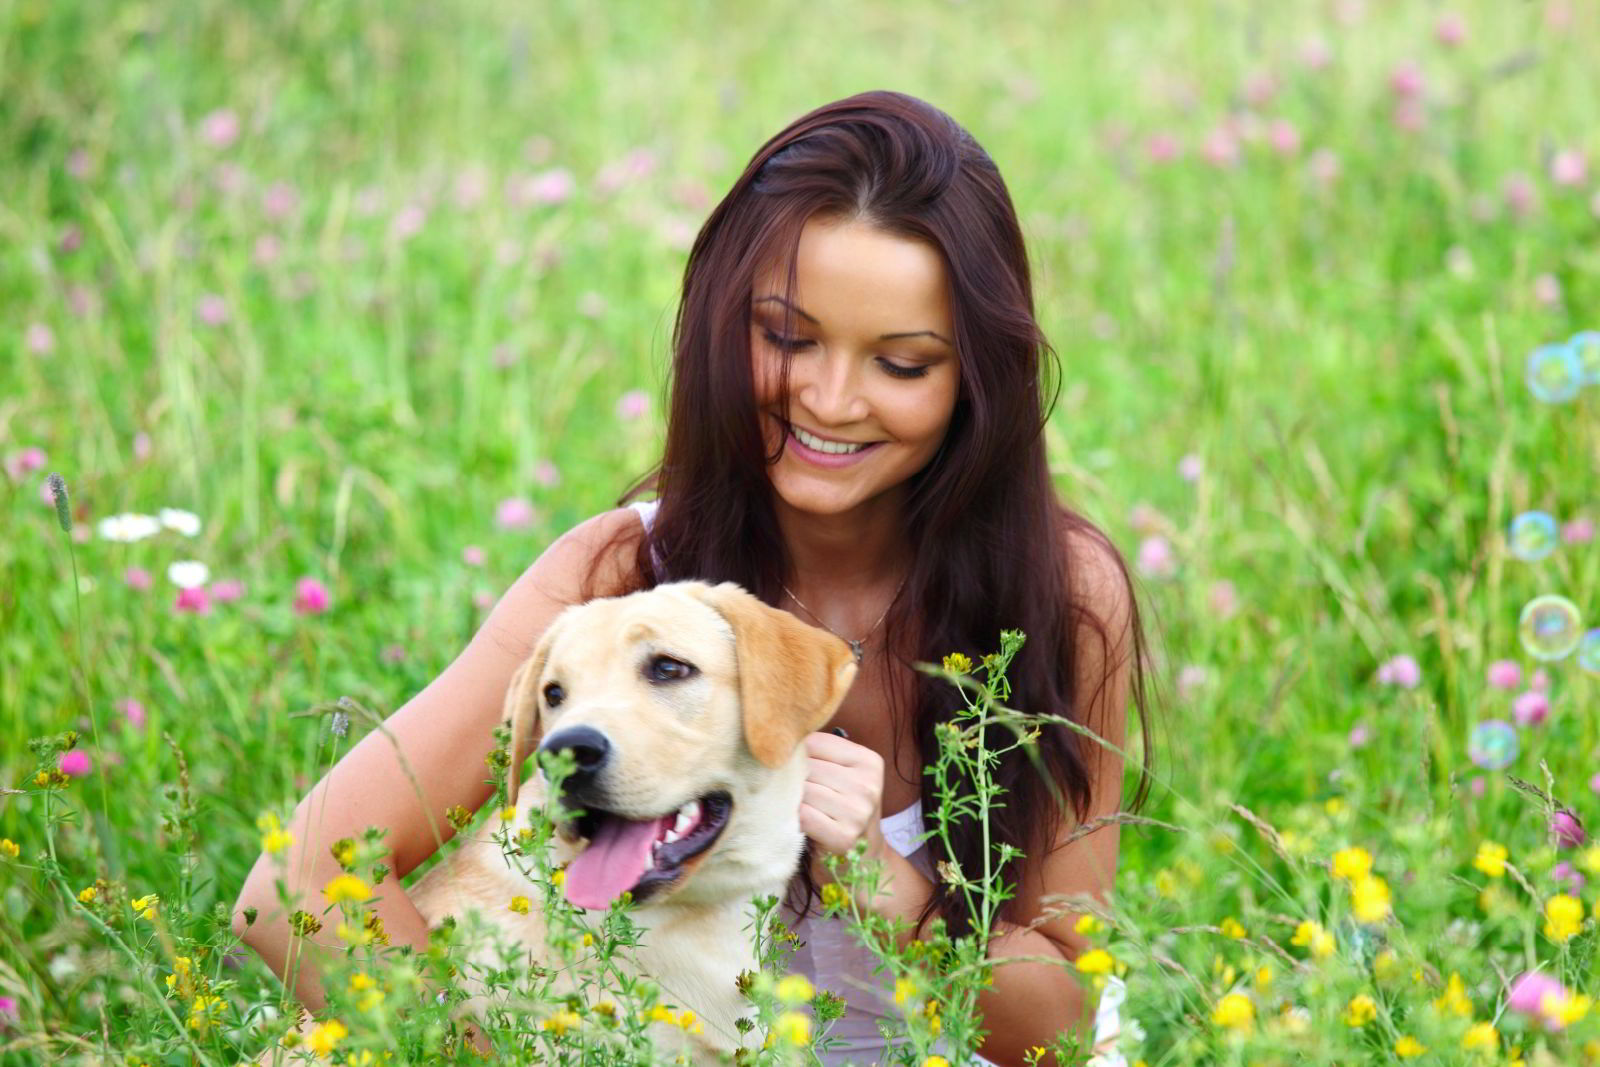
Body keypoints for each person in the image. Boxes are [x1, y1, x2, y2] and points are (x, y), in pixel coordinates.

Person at [233, 89, 1156, 1067]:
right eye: (786, 338)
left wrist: (887, 883)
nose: (830, 400)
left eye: (900, 362)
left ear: (976, 376)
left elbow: (1060, 1030)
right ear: (720, 323)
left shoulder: (1058, 593)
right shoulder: (623, 576)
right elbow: (294, 886)